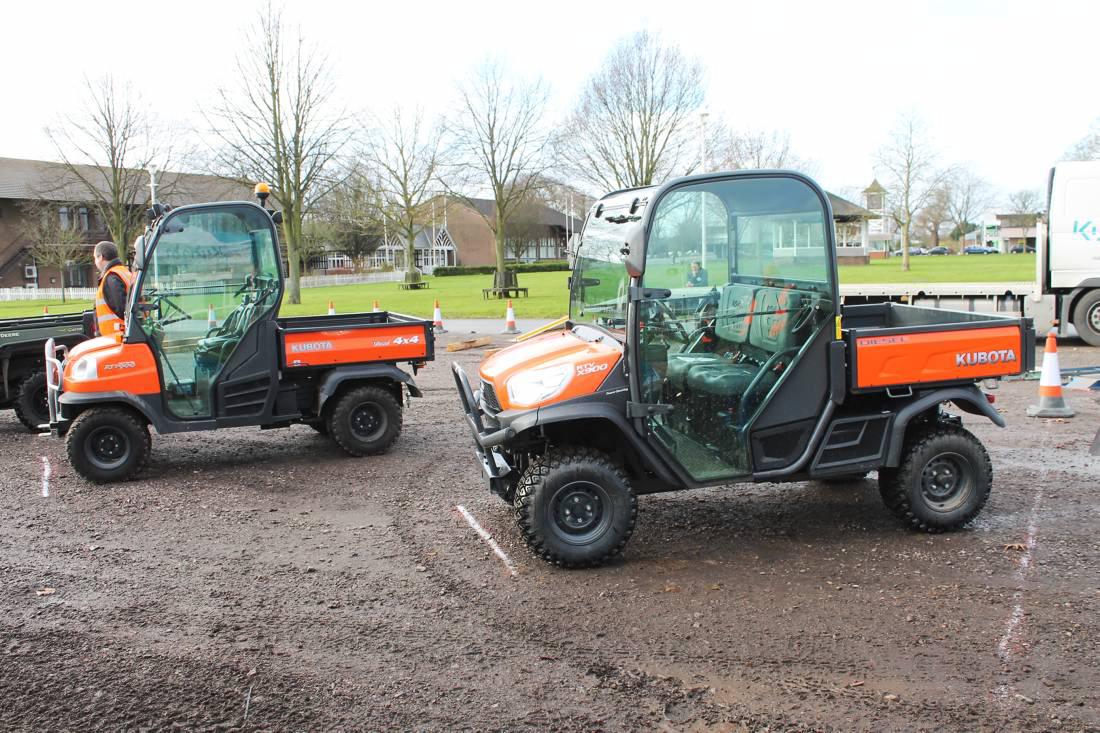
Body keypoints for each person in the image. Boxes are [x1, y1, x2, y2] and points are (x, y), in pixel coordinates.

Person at [92, 241, 134, 338]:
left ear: (101, 257)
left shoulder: (111, 278)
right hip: (123, 334)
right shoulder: (124, 272)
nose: (95, 262)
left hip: (115, 336)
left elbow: (122, 308)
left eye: (95, 258)